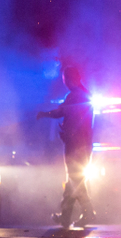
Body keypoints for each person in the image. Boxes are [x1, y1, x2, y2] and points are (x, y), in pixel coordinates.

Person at [37, 66, 96, 228]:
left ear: (72, 79)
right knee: (74, 180)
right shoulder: (84, 95)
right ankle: (67, 215)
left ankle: (85, 211)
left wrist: (44, 114)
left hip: (75, 146)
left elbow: (61, 113)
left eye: (66, 80)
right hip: (83, 146)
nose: (65, 83)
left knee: (75, 179)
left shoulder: (75, 96)